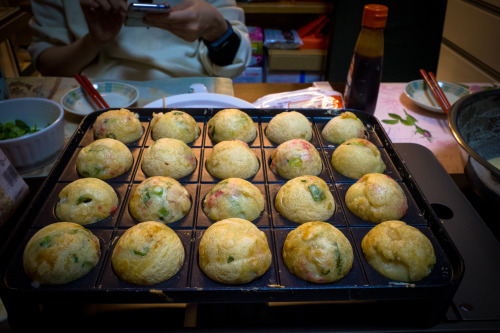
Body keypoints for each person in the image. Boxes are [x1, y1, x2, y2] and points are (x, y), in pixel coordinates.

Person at [28, 0, 252, 80]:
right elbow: (49, 66)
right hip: (98, 96)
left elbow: (234, 64)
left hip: (194, 91)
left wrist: (216, 29)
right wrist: (94, 41)